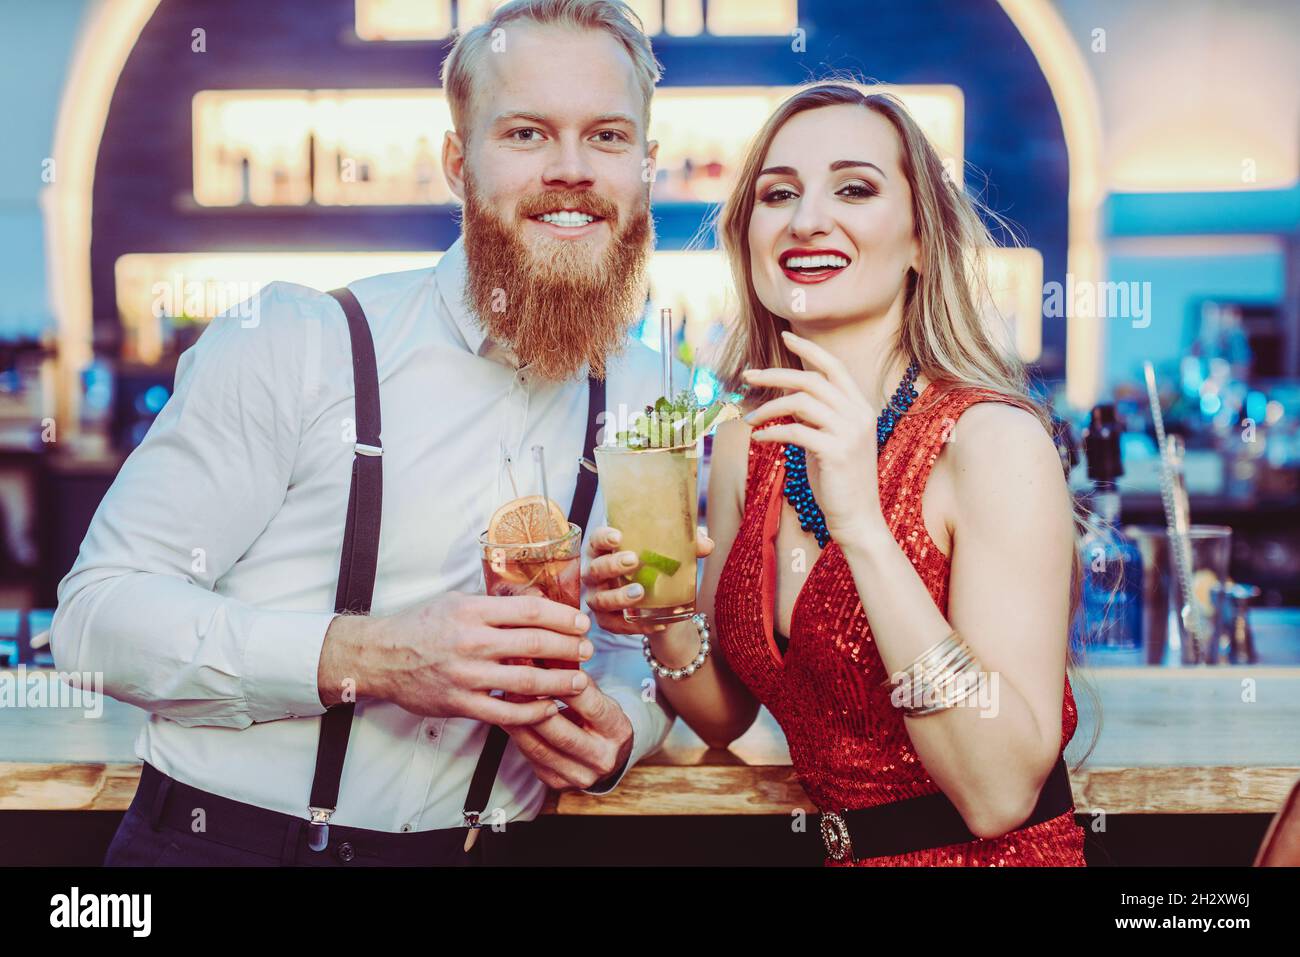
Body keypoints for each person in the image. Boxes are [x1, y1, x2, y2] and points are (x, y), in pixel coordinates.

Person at [52, 0, 694, 867]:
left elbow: (635, 648)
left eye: (608, 137)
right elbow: (95, 619)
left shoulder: (653, 389)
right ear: (456, 163)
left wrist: (625, 733)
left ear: (647, 167)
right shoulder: (297, 340)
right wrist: (367, 655)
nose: (571, 170)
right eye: (528, 133)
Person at [587, 82, 1089, 866]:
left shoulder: (991, 442)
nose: (806, 218)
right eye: (777, 194)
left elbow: (997, 794)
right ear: (748, 237)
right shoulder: (750, 444)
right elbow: (724, 713)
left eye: (854, 188)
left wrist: (861, 526)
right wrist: (662, 610)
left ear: (922, 239)